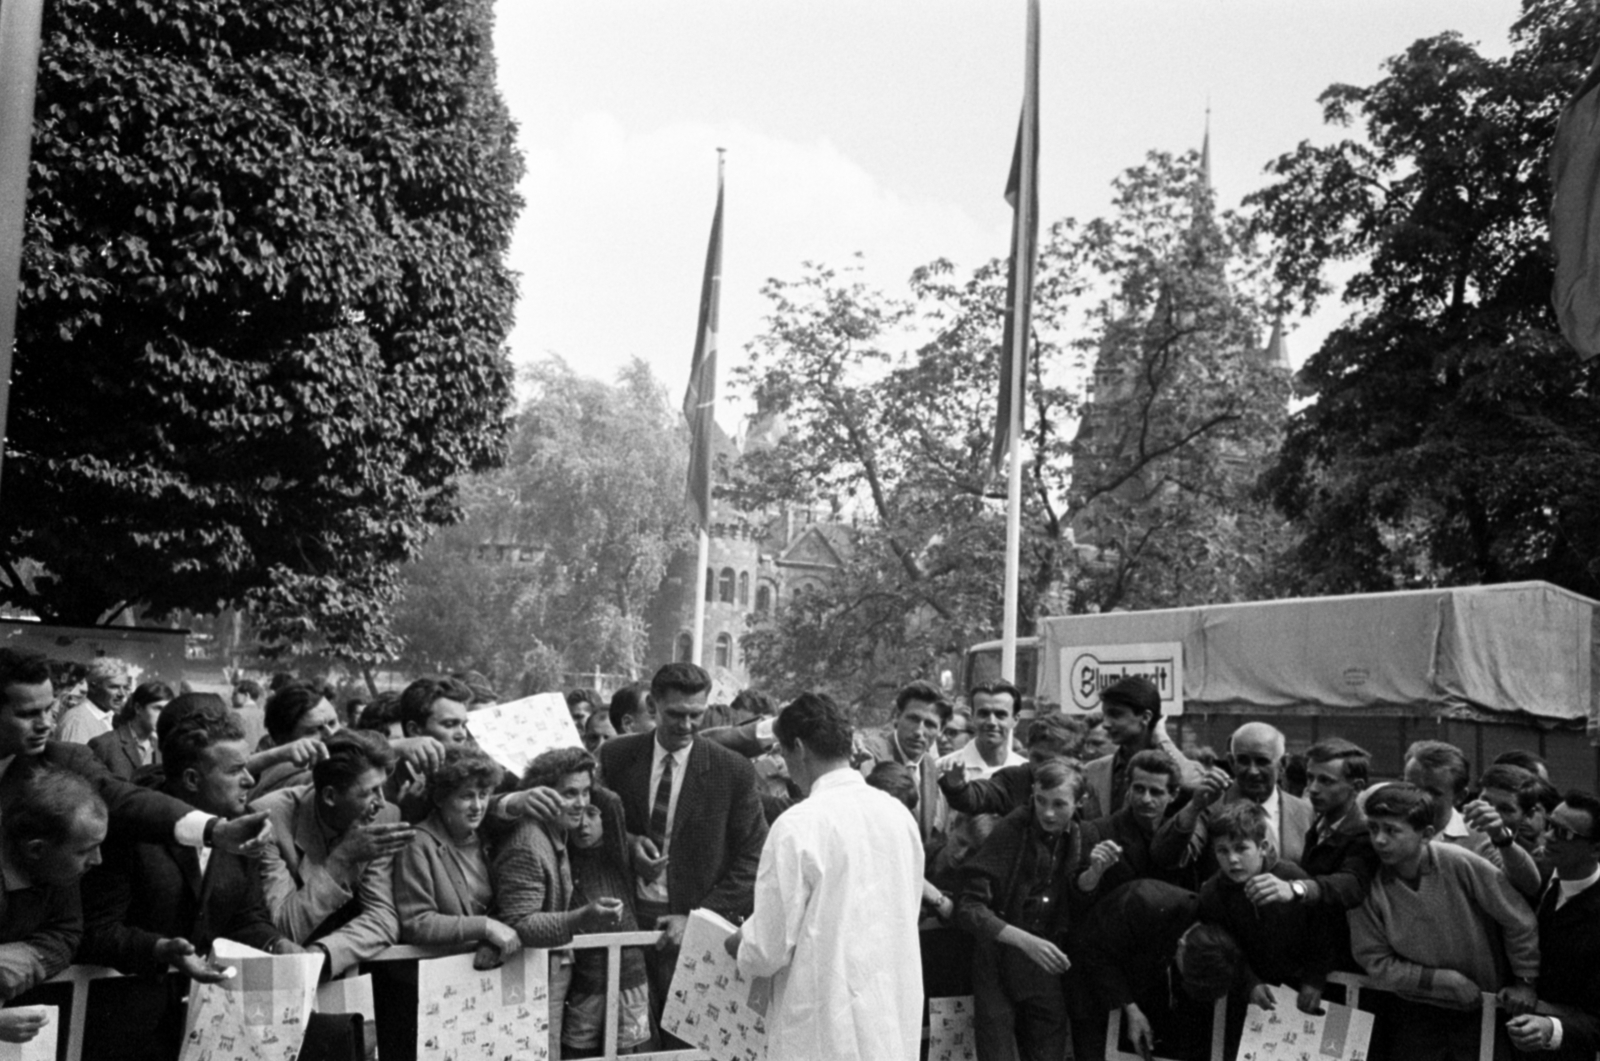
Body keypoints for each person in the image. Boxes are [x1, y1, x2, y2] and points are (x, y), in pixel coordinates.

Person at [77, 698, 298, 1061]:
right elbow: (95, 932)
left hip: (206, 1032)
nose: (249, 779)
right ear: (192, 779)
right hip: (127, 1033)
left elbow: (246, 918)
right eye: (236, 770)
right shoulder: (131, 831)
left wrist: (275, 944)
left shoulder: (242, 826)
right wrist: (159, 950)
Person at [727, 693, 923, 1061]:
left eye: (783, 754)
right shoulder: (898, 816)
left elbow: (768, 948)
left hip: (822, 1023)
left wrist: (741, 944)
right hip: (889, 1013)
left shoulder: (797, 825)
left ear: (797, 748)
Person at [595, 662, 768, 1029]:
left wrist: (697, 918)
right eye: (675, 714)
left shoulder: (732, 770)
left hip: (695, 935)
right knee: (628, 1042)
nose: (687, 726)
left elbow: (754, 858)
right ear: (653, 706)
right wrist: (627, 844)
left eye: (696, 715)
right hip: (624, 925)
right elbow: (589, 827)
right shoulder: (617, 756)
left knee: (686, 1044)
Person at [0, 649, 270, 860]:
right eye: (27, 714)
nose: (46, 724)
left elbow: (125, 800)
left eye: (48, 709)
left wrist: (214, 830)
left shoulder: (63, 759)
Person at [1349, 783, 1539, 1061]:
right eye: (1373, 828)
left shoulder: (1459, 863)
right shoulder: (1367, 881)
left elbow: (1518, 919)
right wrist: (1438, 981)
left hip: (1483, 1007)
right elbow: (1374, 959)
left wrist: (1525, 980)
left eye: (1391, 830)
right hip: (1413, 1010)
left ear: (1425, 834)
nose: (1379, 840)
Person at [493, 747, 622, 1057]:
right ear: (541, 796)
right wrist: (582, 917)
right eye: (569, 793)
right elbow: (520, 923)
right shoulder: (528, 844)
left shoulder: (555, 830)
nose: (581, 803)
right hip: (528, 974)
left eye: (586, 792)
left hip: (547, 971)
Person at [252, 729, 413, 977]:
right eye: (370, 791)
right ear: (329, 796)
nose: (381, 802)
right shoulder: (268, 819)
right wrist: (341, 859)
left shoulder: (384, 816)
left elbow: (383, 917)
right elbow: (283, 928)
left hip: (329, 966)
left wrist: (324, 955)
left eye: (383, 788)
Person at [955, 758, 1084, 1061]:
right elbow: (969, 906)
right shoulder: (1012, 829)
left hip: (1045, 963)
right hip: (999, 956)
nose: (1047, 813)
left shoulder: (1082, 835)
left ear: (1080, 803)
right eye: (1040, 801)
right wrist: (1024, 941)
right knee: (997, 1050)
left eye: (1059, 804)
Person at [1075, 879, 1243, 1061]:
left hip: (1143, 960)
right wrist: (1131, 1008)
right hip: (1088, 955)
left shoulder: (1215, 922)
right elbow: (1095, 954)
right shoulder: (1142, 904)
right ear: (1181, 945)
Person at [1197, 801, 1329, 1014]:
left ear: (1263, 848)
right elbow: (1225, 948)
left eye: (1241, 849)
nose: (1232, 859)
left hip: (1302, 986)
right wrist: (1249, 982)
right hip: (1250, 993)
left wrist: (1314, 979)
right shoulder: (1212, 894)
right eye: (1222, 851)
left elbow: (1322, 930)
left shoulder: (1290, 876)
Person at [393, 746, 520, 963]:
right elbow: (417, 923)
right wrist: (485, 927)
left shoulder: (487, 836)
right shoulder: (417, 843)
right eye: (466, 796)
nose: (477, 806)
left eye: (484, 795)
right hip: (435, 975)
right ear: (441, 798)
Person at [0, 769, 108, 1015]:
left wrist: (29, 955)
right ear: (36, 849)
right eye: (84, 851)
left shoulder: (59, 869)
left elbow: (66, 932)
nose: (97, 860)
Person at [1505, 791, 1600, 1057]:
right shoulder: (1528, 876)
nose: (1547, 837)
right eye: (1549, 825)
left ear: (1596, 848)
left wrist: (1551, 1027)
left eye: (1563, 833)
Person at [1152, 721, 1314, 875]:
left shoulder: (1305, 812)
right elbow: (1166, 858)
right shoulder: (1210, 807)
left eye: (1262, 762)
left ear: (1283, 764)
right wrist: (1194, 807)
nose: (1252, 771)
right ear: (1231, 761)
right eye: (1243, 761)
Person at [1405, 740, 1541, 897]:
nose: (1418, 798)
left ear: (1459, 797)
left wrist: (1503, 840)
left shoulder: (1481, 836)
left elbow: (1529, 886)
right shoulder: (1384, 827)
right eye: (1410, 787)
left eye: (1433, 792)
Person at [1082, 677, 1200, 819]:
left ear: (1145, 717)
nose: (1105, 724)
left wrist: (1162, 738)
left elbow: (1192, 783)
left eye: (1115, 714)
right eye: (1105, 715)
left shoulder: (1183, 767)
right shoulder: (1094, 770)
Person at [1076, 748, 1185, 901]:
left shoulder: (1177, 834)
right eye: (1139, 789)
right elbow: (1078, 897)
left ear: (1173, 795)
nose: (1146, 799)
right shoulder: (1098, 830)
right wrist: (1094, 873)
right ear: (1129, 787)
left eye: (1156, 792)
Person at [854, 680, 951, 846]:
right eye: (913, 719)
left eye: (930, 724)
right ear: (897, 716)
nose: (919, 731)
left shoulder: (931, 767)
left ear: (941, 730)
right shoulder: (869, 756)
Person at [938, 682, 1026, 782]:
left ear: (1015, 719)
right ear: (972, 716)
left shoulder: (1026, 772)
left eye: (1000, 715)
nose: (991, 722)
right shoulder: (943, 769)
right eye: (984, 714)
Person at [87, 679, 173, 780]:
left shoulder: (163, 748)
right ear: (138, 708)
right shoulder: (104, 745)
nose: (164, 715)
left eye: (167, 709)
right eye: (158, 708)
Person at [54, 657, 133, 745]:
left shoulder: (108, 717)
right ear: (93, 687)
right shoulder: (77, 722)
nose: (122, 694)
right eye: (114, 687)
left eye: (125, 688)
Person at [231, 679, 267, 751]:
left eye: (235, 694)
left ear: (247, 695)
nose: (231, 698)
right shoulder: (266, 714)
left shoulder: (234, 715)